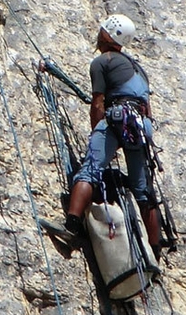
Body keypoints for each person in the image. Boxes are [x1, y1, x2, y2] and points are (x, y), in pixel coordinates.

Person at [43, 14, 162, 260]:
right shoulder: (139, 70)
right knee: (142, 190)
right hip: (141, 126)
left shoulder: (103, 61)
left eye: (102, 30)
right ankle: (155, 250)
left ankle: (72, 227)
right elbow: (147, 110)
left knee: (90, 170)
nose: (99, 33)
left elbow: (97, 102)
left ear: (109, 34)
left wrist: (98, 130)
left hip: (118, 118)